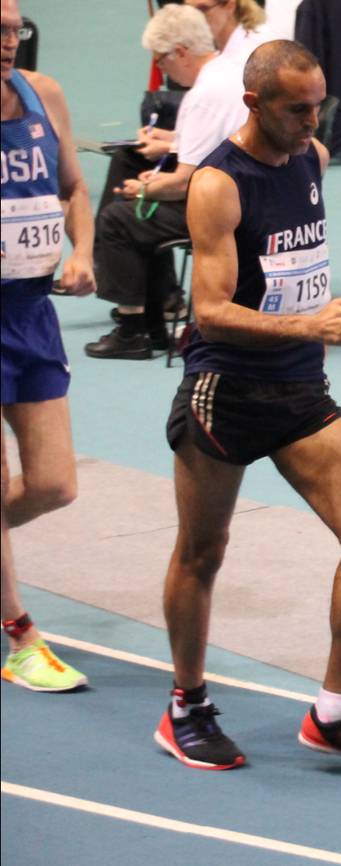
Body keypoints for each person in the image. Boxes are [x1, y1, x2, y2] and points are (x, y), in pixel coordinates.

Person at [154, 39, 341, 774]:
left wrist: (312, 326)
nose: (310, 120)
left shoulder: (313, 159)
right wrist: (311, 323)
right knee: (202, 552)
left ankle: (333, 712)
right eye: (296, 109)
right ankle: (186, 707)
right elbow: (207, 309)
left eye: (316, 105)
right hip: (224, 390)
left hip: (299, 391)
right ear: (253, 104)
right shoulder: (217, 185)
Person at [1, 0, 94, 691]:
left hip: (31, 315)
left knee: (55, 485)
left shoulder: (44, 93)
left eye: (13, 28)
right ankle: (20, 636)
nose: (8, 41)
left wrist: (84, 250)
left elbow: (72, 188)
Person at [86, 4, 250, 360]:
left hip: (227, 209)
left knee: (120, 218)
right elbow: (216, 139)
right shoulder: (227, 72)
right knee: (131, 165)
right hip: (245, 192)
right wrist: (171, 141)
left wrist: (142, 189)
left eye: (161, 61)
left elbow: (183, 182)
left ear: (180, 52)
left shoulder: (202, 96)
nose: (161, 70)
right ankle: (162, 306)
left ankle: (132, 330)